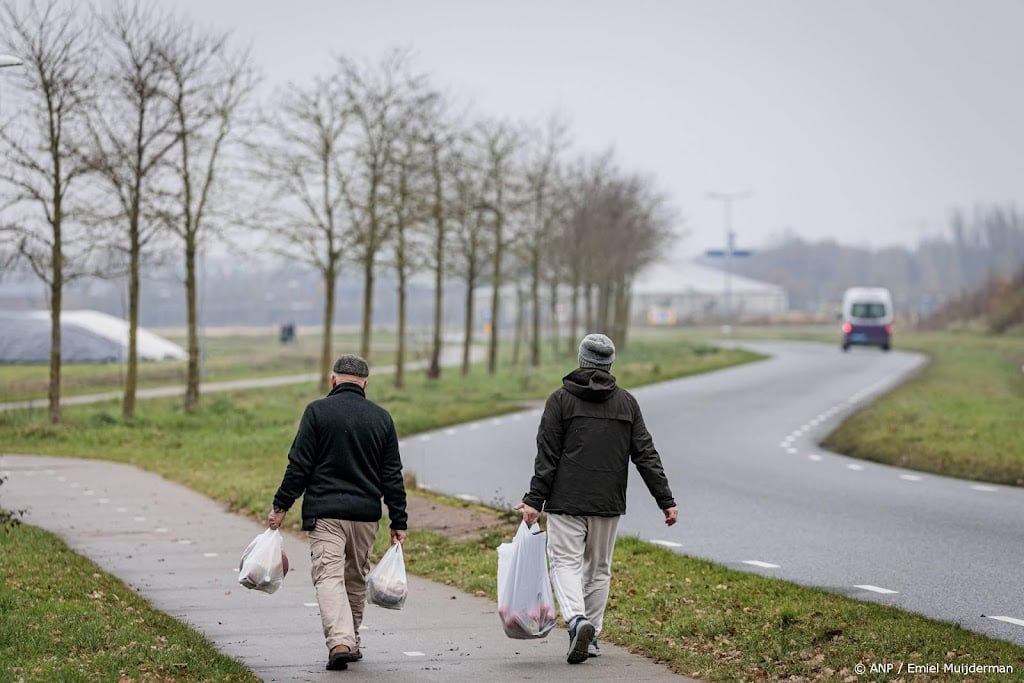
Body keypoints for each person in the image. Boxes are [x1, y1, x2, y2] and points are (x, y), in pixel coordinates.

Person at [515, 333, 678, 665]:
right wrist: (666, 499)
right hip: (608, 503)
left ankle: (576, 621)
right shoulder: (627, 403)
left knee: (565, 563)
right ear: (610, 364)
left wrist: (534, 500)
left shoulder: (560, 401)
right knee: (599, 569)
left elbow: (546, 456)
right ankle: (592, 636)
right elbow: (645, 454)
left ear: (581, 361)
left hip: (566, 501)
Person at [268, 354, 408, 672]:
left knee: (329, 576)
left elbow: (299, 465)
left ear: (333, 380)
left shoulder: (317, 412)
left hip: (326, 513)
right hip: (365, 515)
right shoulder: (381, 418)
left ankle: (341, 642)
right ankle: (351, 641)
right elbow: (392, 475)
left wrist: (281, 506)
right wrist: (398, 520)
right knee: (355, 578)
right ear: (365, 384)